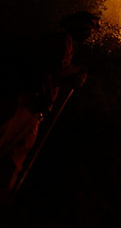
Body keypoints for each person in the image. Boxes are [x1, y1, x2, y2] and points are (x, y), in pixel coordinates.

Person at [0, 10, 100, 205]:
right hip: (27, 102)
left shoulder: (60, 39)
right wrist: (79, 72)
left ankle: (5, 196)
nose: (89, 36)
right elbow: (53, 69)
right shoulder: (61, 40)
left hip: (34, 104)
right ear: (79, 27)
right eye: (88, 30)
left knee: (15, 152)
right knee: (8, 147)